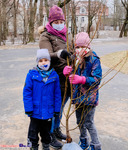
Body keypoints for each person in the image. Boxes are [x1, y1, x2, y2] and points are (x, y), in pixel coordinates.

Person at [38, 5, 72, 149]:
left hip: (68, 78)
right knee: (53, 109)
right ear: (51, 22)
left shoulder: (68, 34)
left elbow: (73, 50)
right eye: (56, 22)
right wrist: (59, 54)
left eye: (61, 21)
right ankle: (49, 135)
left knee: (61, 107)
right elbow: (45, 56)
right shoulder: (45, 36)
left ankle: (56, 130)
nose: (59, 24)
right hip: (54, 79)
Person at [63, 32, 102, 150]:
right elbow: (72, 74)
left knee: (89, 122)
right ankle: (83, 140)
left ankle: (96, 145)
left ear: (88, 47)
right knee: (80, 121)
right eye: (77, 47)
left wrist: (82, 79)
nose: (80, 49)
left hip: (89, 98)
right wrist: (67, 72)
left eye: (83, 47)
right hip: (78, 97)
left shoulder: (94, 60)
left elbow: (97, 79)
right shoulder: (75, 58)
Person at [23, 49, 62, 150]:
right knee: (33, 132)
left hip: (49, 112)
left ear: (49, 61)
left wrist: (57, 109)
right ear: (37, 62)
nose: (43, 63)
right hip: (35, 111)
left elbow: (57, 94)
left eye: (45, 60)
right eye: (40, 61)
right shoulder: (31, 75)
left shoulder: (54, 76)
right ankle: (33, 147)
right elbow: (27, 93)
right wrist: (29, 108)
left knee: (46, 132)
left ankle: (46, 146)